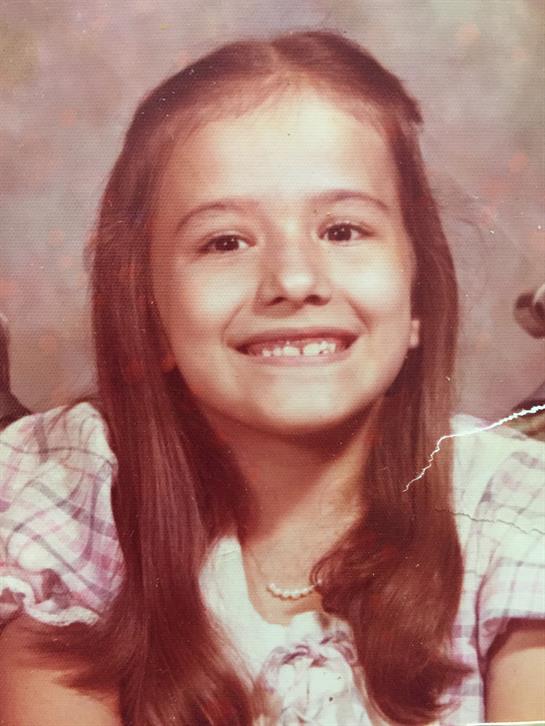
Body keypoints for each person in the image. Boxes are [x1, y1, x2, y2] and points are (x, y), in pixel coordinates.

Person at [0, 31, 543, 726]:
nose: (292, 279)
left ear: (417, 295)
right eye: (225, 242)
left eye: (342, 231)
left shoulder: (512, 510)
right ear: (150, 314)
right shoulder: (80, 497)